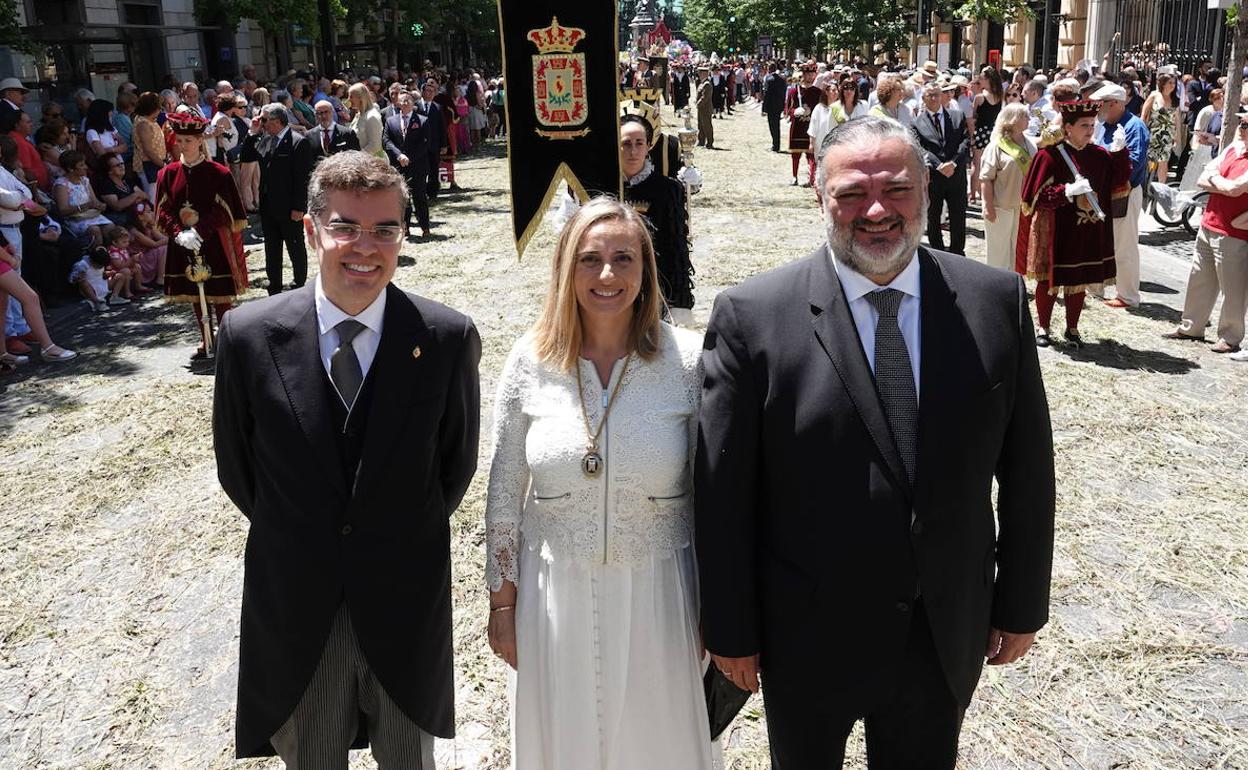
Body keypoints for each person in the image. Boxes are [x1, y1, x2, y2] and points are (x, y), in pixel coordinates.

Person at [696, 116, 1055, 769]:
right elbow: (723, 494)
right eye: (852, 195)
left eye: (897, 189)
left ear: (926, 188)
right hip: (805, 631)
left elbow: (1028, 468)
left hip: (939, 625)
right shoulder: (752, 317)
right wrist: (729, 628)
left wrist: (1023, 602)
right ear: (819, 195)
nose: (878, 211)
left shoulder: (993, 300)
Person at [213, 150, 480, 768]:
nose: (367, 246)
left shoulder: (445, 338)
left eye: (385, 228)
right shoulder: (249, 335)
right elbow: (239, 468)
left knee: (408, 759)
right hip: (300, 600)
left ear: (403, 233)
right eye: (345, 227)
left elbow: (452, 466)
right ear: (311, 230)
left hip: (402, 597)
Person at [484, 197, 713, 769]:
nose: (607, 275)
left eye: (623, 258)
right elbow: (504, 494)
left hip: (663, 589)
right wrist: (503, 605)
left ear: (646, 269)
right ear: (565, 268)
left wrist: (722, 608)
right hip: (553, 590)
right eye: (589, 259)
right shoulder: (530, 360)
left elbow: (717, 494)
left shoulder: (687, 361)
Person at [1019, 100, 1131, 347]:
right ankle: (1043, 327)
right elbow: (1033, 199)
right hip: (1056, 229)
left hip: (1086, 229)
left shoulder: (1100, 156)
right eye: (1084, 125)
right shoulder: (1049, 156)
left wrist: (1120, 154)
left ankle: (1072, 329)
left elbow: (1119, 185)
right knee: (1048, 281)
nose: (1090, 130)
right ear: (1068, 128)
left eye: (1092, 125)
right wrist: (1066, 190)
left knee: (1079, 278)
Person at [156, 112, 249, 358]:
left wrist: (198, 231)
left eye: (188, 140)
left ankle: (227, 340)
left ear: (200, 141)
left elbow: (224, 210)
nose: (182, 145)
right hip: (183, 243)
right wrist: (178, 234)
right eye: (179, 140)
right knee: (196, 293)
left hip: (211, 241)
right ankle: (206, 337)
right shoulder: (167, 174)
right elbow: (164, 210)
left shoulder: (218, 173)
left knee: (219, 292)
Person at [1164, 110, 1248, 355]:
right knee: (1199, 277)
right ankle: (1191, 326)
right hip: (1210, 222)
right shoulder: (1233, 149)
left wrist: (1216, 180)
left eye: (1247, 125)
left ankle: (1230, 337)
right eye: (1241, 123)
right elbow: (1203, 177)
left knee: (1233, 288)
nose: (1242, 128)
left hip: (1234, 231)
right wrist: (1221, 182)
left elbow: (1235, 188)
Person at [620, 114, 694, 325]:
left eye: (639, 143)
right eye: (626, 144)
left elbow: (677, 247)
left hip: (654, 288)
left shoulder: (668, 189)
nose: (633, 151)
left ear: (649, 146)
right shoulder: (601, 189)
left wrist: (680, 302)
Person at [240, 103, 316, 294]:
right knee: (272, 249)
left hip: (289, 206)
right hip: (268, 205)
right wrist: (252, 132)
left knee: (295, 246)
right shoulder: (265, 139)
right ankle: (274, 285)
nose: (261, 123)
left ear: (277, 121)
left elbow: (302, 178)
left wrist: (299, 207)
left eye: (264, 119)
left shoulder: (298, 142)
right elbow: (246, 156)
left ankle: (299, 283)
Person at [1093, 82, 1150, 309]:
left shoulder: (1135, 127)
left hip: (1124, 193)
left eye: (1101, 104)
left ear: (1115, 103)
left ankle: (1128, 296)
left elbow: (1134, 162)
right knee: (1101, 242)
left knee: (1124, 246)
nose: (1097, 109)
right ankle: (1095, 287)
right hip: (1105, 192)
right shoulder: (1108, 124)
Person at [911, 82, 971, 255]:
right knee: (934, 217)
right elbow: (919, 148)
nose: (935, 98)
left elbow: (965, 142)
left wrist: (953, 162)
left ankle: (957, 253)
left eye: (937, 94)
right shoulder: (917, 123)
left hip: (956, 175)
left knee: (958, 217)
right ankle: (938, 252)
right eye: (930, 95)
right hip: (934, 178)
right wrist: (938, 165)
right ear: (923, 98)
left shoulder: (957, 116)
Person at [980, 103, 1036, 271]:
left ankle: (1014, 284)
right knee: (998, 252)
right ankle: (997, 287)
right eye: (1025, 116)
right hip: (1000, 207)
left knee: (1019, 251)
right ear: (1013, 119)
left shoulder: (1030, 143)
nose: (1029, 119)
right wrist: (988, 206)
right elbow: (986, 178)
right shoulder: (996, 146)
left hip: (1023, 208)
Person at [382, 92, 433, 239]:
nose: (405, 103)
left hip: (418, 165)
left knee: (420, 197)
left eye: (408, 100)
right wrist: (399, 155)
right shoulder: (390, 121)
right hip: (398, 165)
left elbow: (425, 143)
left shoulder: (423, 120)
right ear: (397, 102)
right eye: (402, 100)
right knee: (402, 198)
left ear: (413, 103)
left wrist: (410, 158)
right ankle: (405, 228)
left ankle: (425, 227)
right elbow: (386, 141)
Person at [54, 150, 112, 248]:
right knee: (95, 231)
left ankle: (114, 256)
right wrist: (85, 206)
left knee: (111, 228)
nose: (86, 167)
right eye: (81, 165)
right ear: (70, 169)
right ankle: (97, 257)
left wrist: (100, 205)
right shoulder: (62, 185)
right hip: (75, 219)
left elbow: (94, 200)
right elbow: (63, 210)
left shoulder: (85, 180)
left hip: (91, 215)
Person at [970, 66, 1004, 204]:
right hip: (993, 132)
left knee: (976, 164)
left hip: (980, 132)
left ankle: (972, 195)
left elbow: (973, 119)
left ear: (988, 79)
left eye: (982, 78)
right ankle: (986, 193)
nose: (980, 80)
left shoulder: (979, 97)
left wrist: (972, 136)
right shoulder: (999, 96)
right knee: (991, 164)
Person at [1179, 88, 1223, 193]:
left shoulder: (1219, 112)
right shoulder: (1208, 111)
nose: (1221, 100)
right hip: (1202, 145)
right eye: (1218, 98)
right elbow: (1199, 129)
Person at [1141, 72, 1179, 184]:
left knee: (1164, 161)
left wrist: (1176, 137)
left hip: (1167, 134)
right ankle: (1147, 182)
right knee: (1150, 160)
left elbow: (1176, 121)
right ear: (1163, 83)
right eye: (1170, 82)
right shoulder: (1154, 95)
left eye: (1174, 83)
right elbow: (1143, 115)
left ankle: (1161, 186)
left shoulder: (1174, 99)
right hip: (1153, 132)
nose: (1173, 85)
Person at [786, 62, 821, 186]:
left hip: (811, 126)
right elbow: (787, 110)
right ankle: (794, 176)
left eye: (813, 74)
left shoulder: (818, 92)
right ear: (804, 74)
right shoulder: (795, 91)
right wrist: (794, 111)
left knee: (811, 154)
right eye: (808, 74)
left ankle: (811, 177)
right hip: (797, 127)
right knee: (796, 154)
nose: (811, 76)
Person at [131, 92, 167, 199]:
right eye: (158, 107)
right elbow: (148, 150)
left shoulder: (149, 120)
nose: (160, 109)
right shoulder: (143, 124)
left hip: (156, 163)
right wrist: (163, 165)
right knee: (154, 198)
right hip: (149, 166)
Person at [348, 82, 385, 159]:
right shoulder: (358, 115)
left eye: (351, 96)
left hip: (373, 164)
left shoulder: (372, 117)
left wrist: (357, 158)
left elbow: (375, 146)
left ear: (360, 98)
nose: (349, 99)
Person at [761, 62, 787, 153]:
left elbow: (766, 95)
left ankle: (775, 145)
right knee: (777, 125)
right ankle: (777, 144)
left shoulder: (769, 79)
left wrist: (764, 108)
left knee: (772, 126)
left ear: (769, 69)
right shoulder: (782, 79)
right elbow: (784, 93)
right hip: (779, 105)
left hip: (771, 105)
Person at [695, 66, 714, 149]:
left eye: (701, 73)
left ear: (705, 74)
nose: (699, 75)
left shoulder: (707, 84)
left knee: (707, 126)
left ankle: (709, 142)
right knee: (700, 125)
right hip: (701, 108)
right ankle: (701, 141)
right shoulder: (701, 83)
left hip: (705, 108)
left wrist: (698, 104)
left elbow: (705, 97)